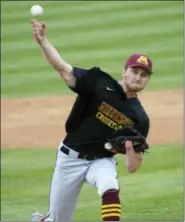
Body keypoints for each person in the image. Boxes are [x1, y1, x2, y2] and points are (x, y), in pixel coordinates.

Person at [30, 19, 153, 222]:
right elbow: (63, 69)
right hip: (70, 159)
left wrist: (130, 147)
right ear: (124, 72)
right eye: (134, 71)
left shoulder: (139, 117)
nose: (138, 77)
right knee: (58, 220)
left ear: (148, 79)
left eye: (143, 75)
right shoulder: (98, 83)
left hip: (101, 160)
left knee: (110, 187)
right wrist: (43, 41)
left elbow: (133, 167)